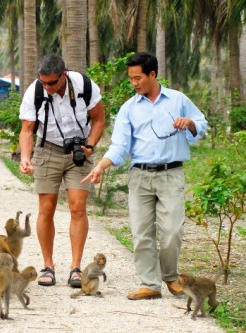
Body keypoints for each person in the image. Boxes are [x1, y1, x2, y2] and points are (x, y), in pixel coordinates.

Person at [82, 52, 208, 300]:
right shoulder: (129, 108)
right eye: (130, 79)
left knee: (172, 232)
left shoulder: (178, 100)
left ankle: (170, 276)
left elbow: (201, 124)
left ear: (152, 74)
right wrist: (101, 166)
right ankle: (150, 284)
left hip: (171, 174)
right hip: (139, 176)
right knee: (141, 234)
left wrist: (190, 124)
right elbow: (119, 146)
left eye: (138, 77)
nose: (134, 83)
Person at [19, 54, 106, 288]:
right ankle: (48, 265)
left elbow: (99, 119)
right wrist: (25, 158)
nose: (46, 87)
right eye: (43, 82)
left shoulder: (84, 86)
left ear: (63, 76)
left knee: (77, 206)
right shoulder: (34, 92)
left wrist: (90, 146)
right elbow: (27, 129)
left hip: (79, 152)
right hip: (47, 150)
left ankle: (75, 268)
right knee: (46, 208)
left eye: (52, 83)